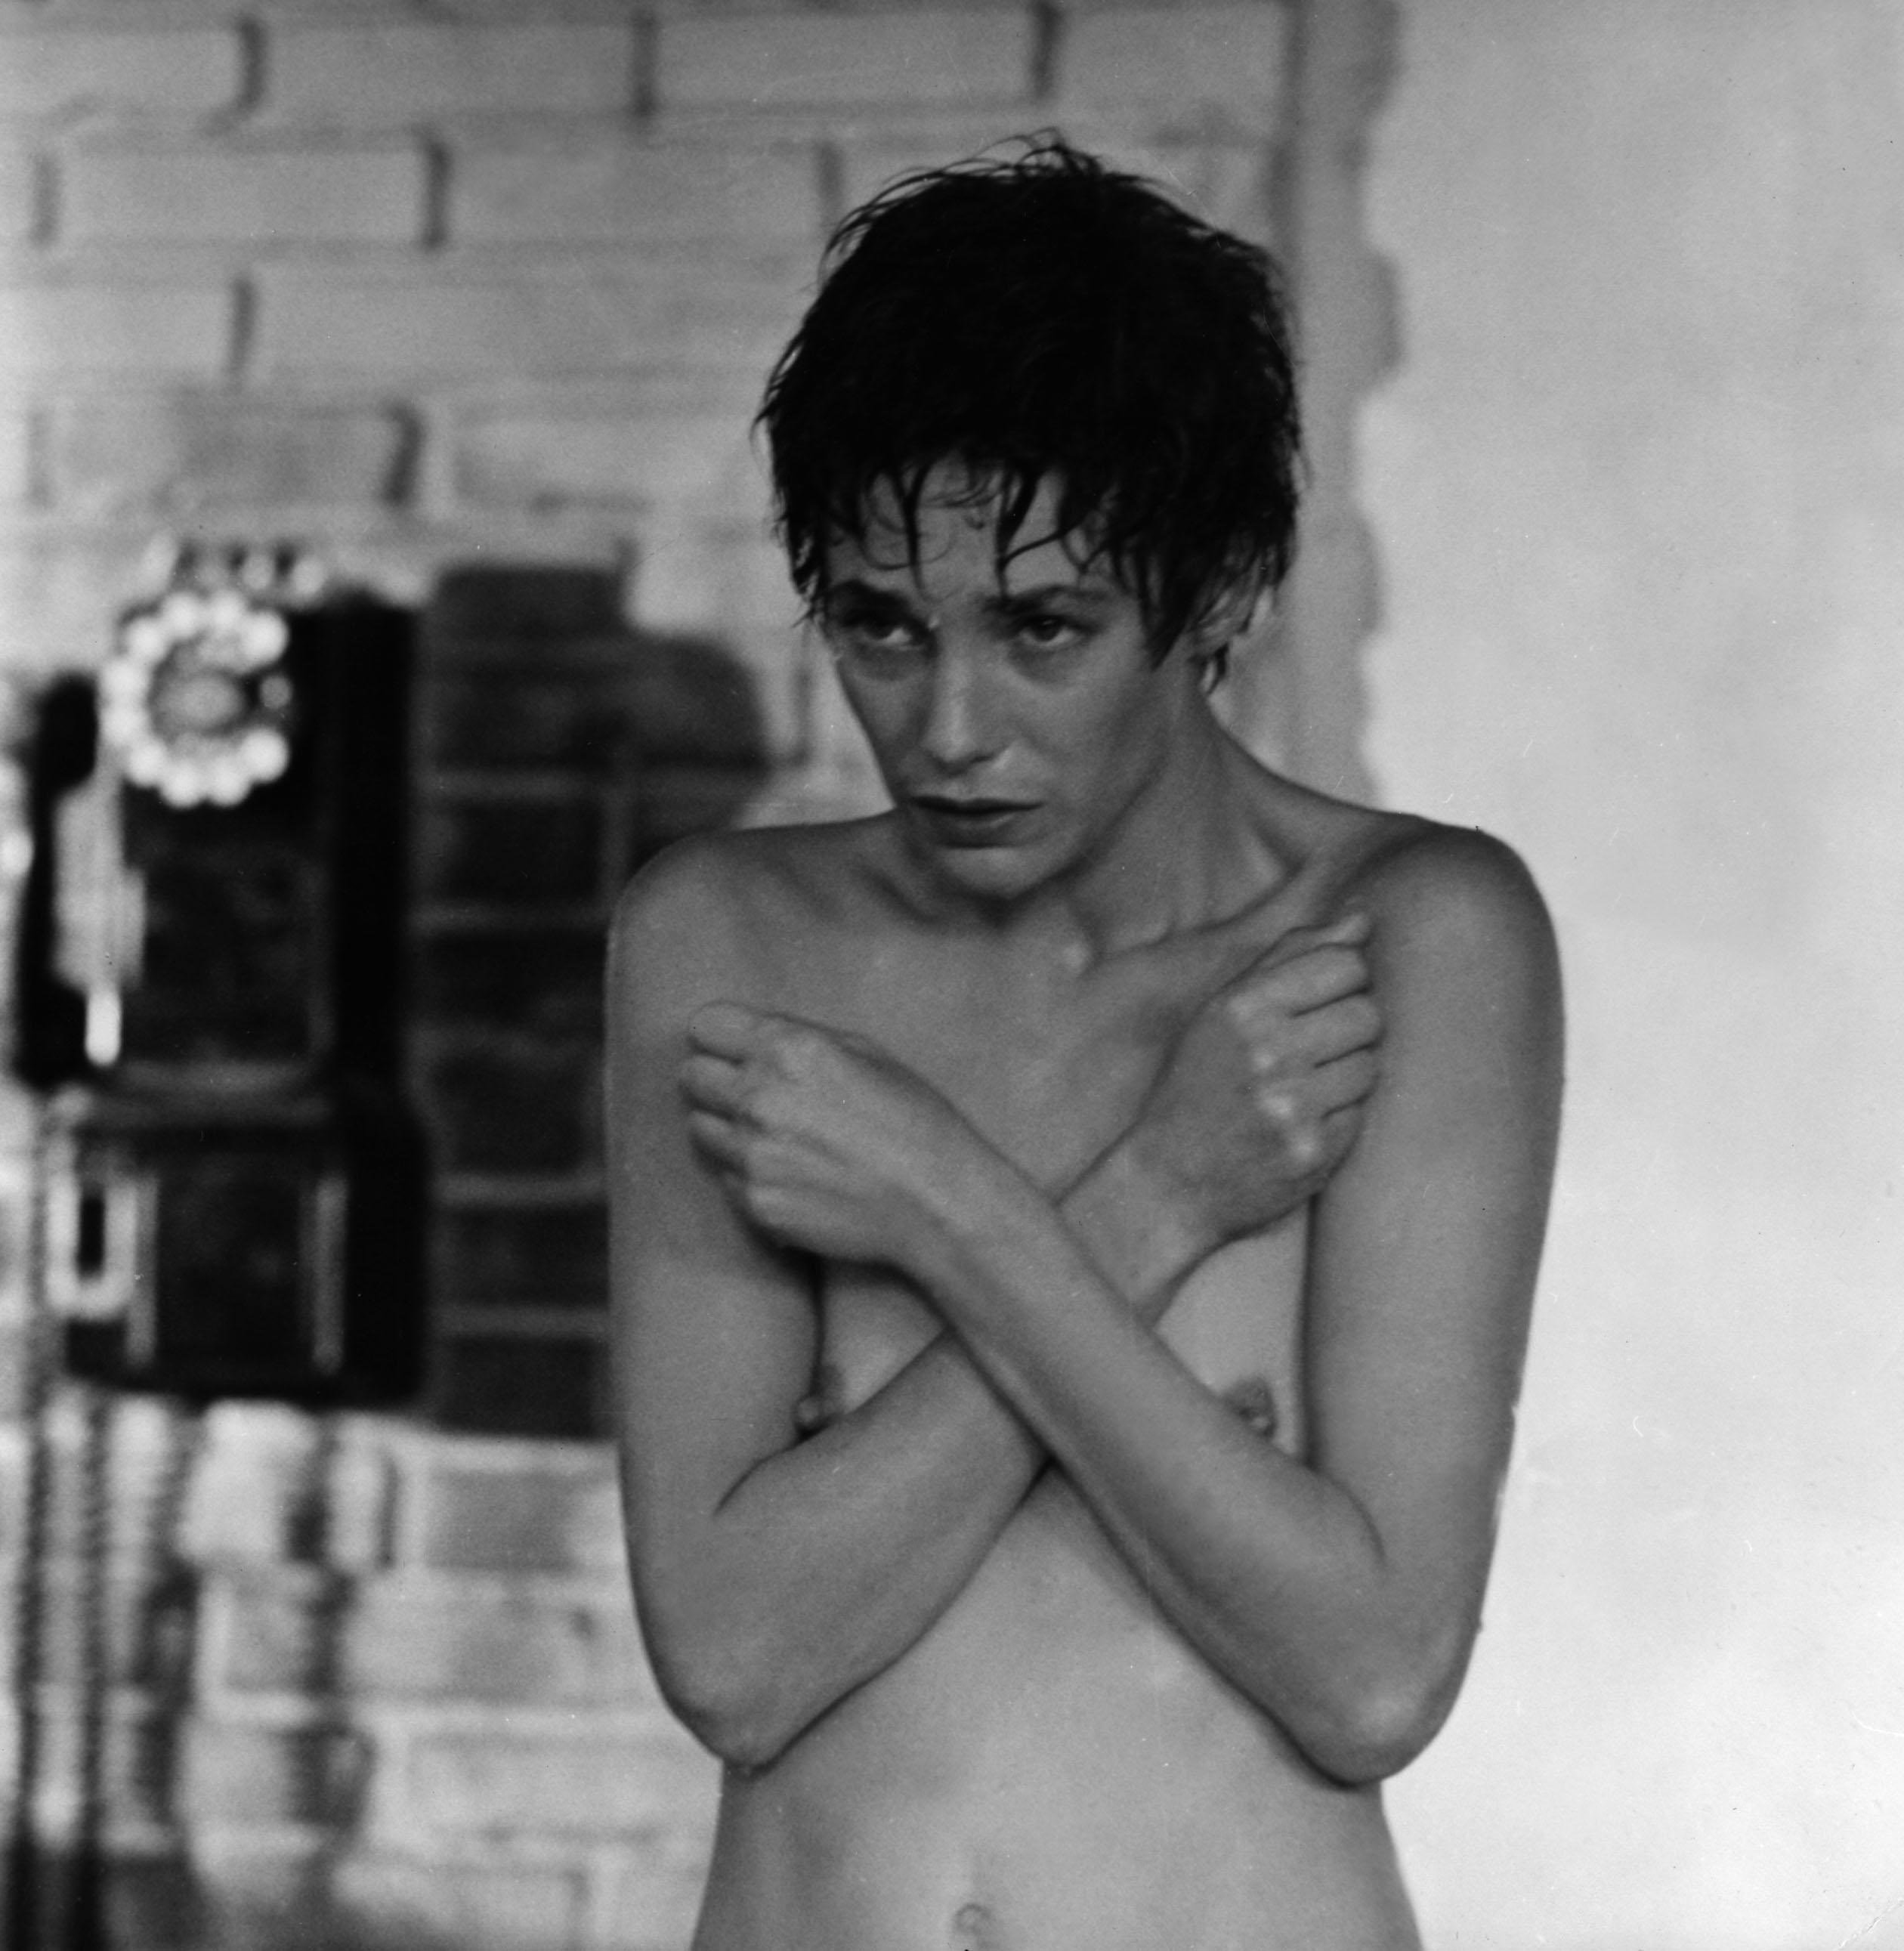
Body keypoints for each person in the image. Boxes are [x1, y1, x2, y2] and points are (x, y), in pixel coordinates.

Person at [603, 140, 1563, 1951]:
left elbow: (1369, 1674)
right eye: (881, 628)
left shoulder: (1404, 942)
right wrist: (1154, 1200)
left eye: (1042, 629)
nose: (949, 726)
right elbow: (733, 1658)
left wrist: (946, 1207)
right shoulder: (725, 942)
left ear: (1219, 590)